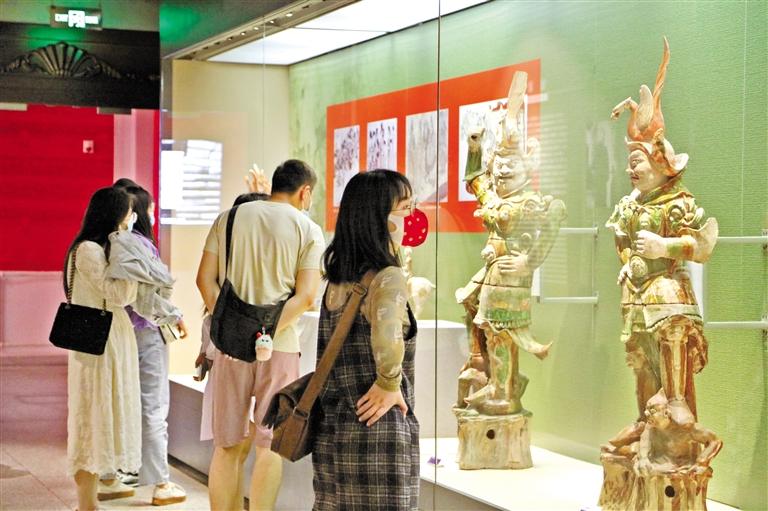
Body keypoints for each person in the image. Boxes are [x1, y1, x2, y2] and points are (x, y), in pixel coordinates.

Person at [196, 159, 324, 511]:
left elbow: (204, 280)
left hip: (230, 346)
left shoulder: (229, 218)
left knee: (226, 445)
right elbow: (306, 296)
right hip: (279, 346)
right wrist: (265, 331)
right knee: (270, 445)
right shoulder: (307, 228)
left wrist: (232, 325)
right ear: (305, 192)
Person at [313, 170, 420, 511]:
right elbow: (388, 338)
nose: (412, 216)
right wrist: (389, 382)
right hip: (378, 431)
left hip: (334, 428)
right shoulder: (388, 278)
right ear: (379, 218)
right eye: (405, 208)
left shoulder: (338, 280)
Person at [101, 181, 188, 505]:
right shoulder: (139, 245)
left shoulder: (106, 244)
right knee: (153, 407)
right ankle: (160, 483)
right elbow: (148, 296)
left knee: (119, 403)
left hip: (118, 333)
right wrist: (173, 315)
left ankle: (112, 473)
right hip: (148, 332)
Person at [64, 187, 141, 511]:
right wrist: (130, 254)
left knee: (100, 414)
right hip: (100, 341)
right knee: (91, 416)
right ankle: (86, 504)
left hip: (108, 338)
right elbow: (120, 295)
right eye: (128, 214)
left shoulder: (97, 249)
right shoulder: (89, 250)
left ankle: (91, 501)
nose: (131, 220)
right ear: (114, 215)